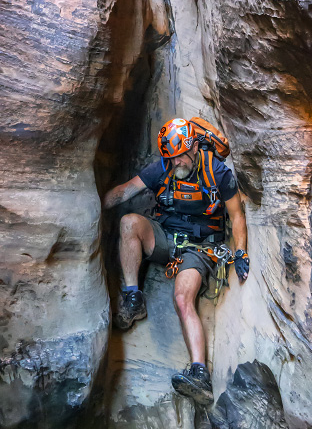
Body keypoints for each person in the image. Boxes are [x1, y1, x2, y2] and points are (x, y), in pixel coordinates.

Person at [102, 118, 249, 407]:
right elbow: (124, 192)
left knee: (182, 299)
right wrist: (90, 205)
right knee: (129, 222)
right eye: (170, 157)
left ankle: (199, 375)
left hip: (200, 248)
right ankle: (134, 298)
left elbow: (237, 216)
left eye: (180, 155)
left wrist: (241, 251)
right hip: (165, 239)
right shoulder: (163, 168)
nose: (175, 162)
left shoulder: (217, 172)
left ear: (194, 147)